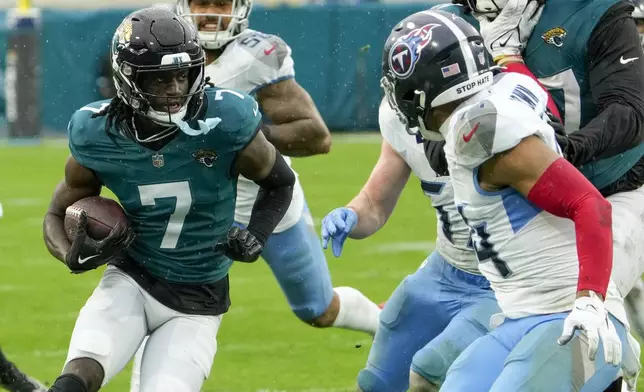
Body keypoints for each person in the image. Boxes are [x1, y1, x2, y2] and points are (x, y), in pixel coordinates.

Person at [381, 9, 637, 391]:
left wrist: (589, 302)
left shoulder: (482, 136)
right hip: (519, 316)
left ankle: (610, 369)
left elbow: (592, 205)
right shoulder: (501, 94)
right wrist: (511, 59)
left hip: (567, 317)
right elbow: (538, 108)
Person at [42, 7, 295, 392]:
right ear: (128, 78)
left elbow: (280, 183)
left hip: (199, 298)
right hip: (132, 277)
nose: (176, 89)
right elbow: (57, 212)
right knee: (78, 377)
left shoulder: (224, 120)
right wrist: (69, 254)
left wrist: (256, 236)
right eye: (160, 79)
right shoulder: (97, 133)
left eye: (182, 75)